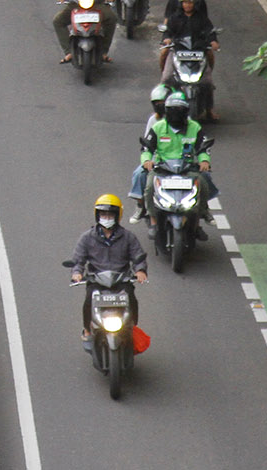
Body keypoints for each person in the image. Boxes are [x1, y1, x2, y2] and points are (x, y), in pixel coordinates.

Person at [69, 195, 147, 342]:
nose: (107, 217)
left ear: (117, 216)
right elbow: (78, 260)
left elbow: (138, 256)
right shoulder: (87, 237)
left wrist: (140, 270)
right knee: (88, 300)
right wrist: (77, 273)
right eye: (103, 214)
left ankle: (131, 326)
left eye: (110, 215)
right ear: (97, 215)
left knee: (132, 298)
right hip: (96, 280)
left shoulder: (128, 237)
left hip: (121, 280)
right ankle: (87, 329)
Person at [141, 93, 215, 235]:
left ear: (186, 111)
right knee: (150, 186)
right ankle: (153, 221)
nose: (176, 114)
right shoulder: (158, 127)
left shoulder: (195, 128)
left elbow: (203, 148)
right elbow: (146, 148)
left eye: (179, 110)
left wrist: (204, 160)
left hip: (187, 168)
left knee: (203, 185)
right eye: (173, 110)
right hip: (162, 168)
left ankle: (200, 218)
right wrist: (147, 161)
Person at [128, 85, 176, 221]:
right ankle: (141, 206)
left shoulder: (185, 121)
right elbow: (148, 144)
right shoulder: (153, 121)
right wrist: (148, 161)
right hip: (157, 161)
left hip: (179, 162)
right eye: (157, 104)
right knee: (139, 174)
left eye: (162, 103)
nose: (160, 106)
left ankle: (202, 211)